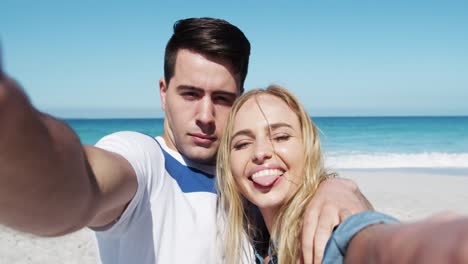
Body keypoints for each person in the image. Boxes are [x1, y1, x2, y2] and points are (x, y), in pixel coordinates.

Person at [0, 18, 373, 263]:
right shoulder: (145, 161)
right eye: (190, 94)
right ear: (163, 93)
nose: (206, 116)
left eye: (223, 99)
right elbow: (78, 185)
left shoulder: (252, 183)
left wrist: (336, 186)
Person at [216, 85, 468, 264]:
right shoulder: (254, 238)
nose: (260, 152)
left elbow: (369, 244)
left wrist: (433, 244)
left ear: (308, 148)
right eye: (242, 144)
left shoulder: (323, 231)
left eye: (281, 136)